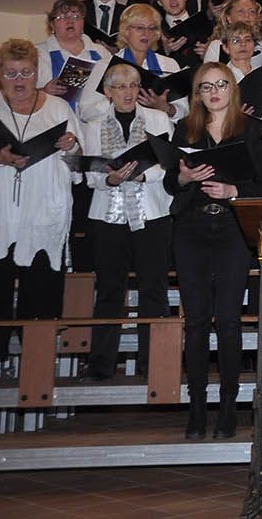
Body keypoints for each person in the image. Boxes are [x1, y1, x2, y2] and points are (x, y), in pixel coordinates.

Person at [165, 62, 262, 439]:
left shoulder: (250, 130)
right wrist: (183, 177)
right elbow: (171, 181)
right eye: (206, 86)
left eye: (221, 85)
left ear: (233, 89)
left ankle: (229, 407)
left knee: (227, 321)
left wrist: (234, 192)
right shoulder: (186, 129)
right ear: (197, 93)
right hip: (192, 227)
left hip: (231, 229)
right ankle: (197, 409)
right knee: (196, 323)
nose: (214, 92)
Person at [79, 61, 174, 381]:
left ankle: (154, 363)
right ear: (107, 92)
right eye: (120, 87)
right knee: (109, 290)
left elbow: (169, 166)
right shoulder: (92, 126)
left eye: (133, 86)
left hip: (151, 211)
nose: (128, 92)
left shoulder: (158, 119)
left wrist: (142, 173)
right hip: (108, 214)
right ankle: (102, 364)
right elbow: (90, 174)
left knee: (154, 289)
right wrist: (111, 179)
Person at [0, 39, 81, 364]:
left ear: (35, 72)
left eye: (26, 72)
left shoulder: (58, 108)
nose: (19, 80)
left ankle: (36, 368)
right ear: (0, 75)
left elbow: (78, 162)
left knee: (40, 290)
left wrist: (70, 145)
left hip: (44, 212)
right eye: (11, 73)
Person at [112, 4, 185, 122]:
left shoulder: (169, 64)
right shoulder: (108, 65)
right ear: (125, 31)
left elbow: (184, 110)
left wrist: (165, 107)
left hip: (160, 131)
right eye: (140, 28)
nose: (146, 33)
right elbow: (87, 111)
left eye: (151, 28)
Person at [36, 0, 111, 110]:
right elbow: (20, 93)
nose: (70, 21)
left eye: (75, 17)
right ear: (52, 24)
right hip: (56, 120)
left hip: (95, 123)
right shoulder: (37, 53)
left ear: (83, 22)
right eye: (62, 17)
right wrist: (44, 92)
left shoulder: (101, 52)